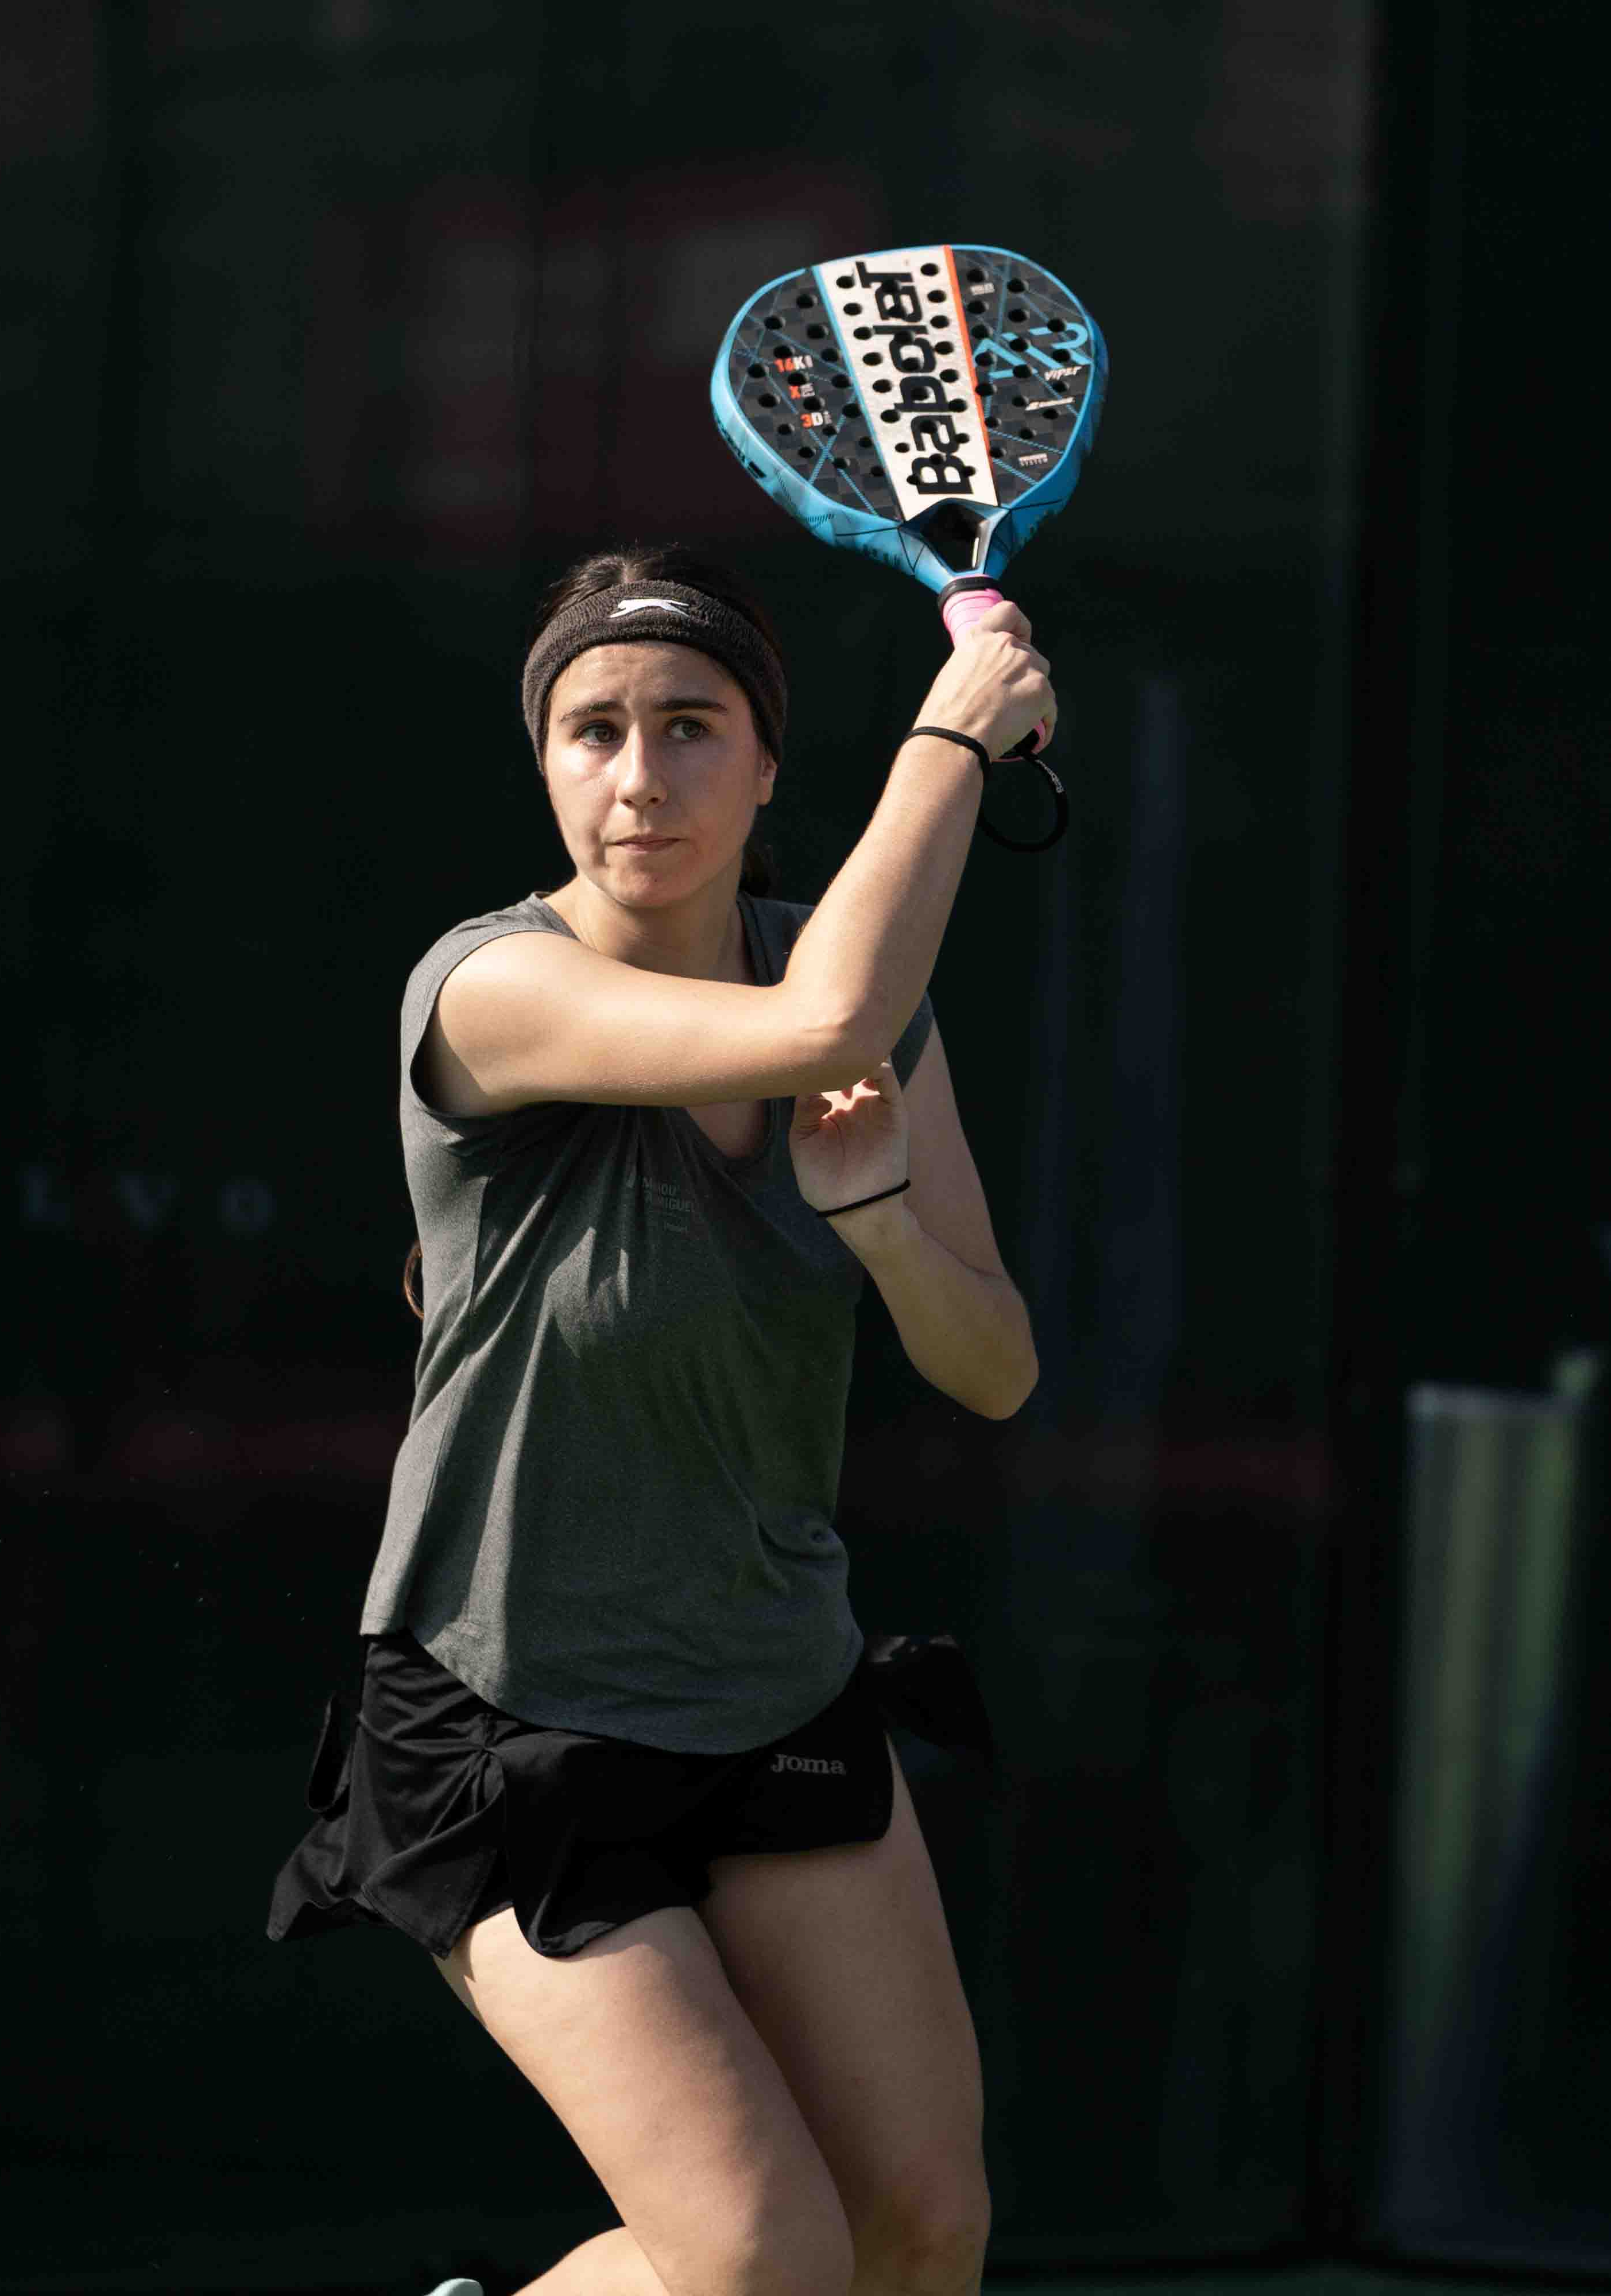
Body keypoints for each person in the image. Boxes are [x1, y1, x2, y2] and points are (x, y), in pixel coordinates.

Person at [270, 543, 1052, 2296]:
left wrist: (877, 1225)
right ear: (544, 765)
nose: (640, 776)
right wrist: (956, 735)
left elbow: (993, 1366)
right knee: (760, 2262)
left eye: (692, 726)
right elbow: (824, 1020)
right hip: (507, 1723)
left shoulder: (862, 994)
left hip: (773, 1687)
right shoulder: (487, 990)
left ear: (768, 765)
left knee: (924, 2231)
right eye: (595, 729)